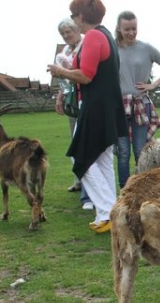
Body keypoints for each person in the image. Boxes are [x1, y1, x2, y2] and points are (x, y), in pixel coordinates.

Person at [47, 0, 128, 234]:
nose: (72, 20)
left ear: (81, 16)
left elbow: (86, 75)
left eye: (73, 15)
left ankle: (107, 211)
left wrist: (59, 71)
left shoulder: (93, 37)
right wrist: (67, 65)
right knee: (101, 159)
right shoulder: (106, 36)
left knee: (80, 158)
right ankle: (111, 212)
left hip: (96, 107)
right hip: (107, 107)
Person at [114, 11, 160, 188]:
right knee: (123, 151)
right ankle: (125, 190)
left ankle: (142, 188)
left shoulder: (146, 48)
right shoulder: (113, 49)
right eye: (127, 29)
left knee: (140, 150)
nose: (131, 33)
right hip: (120, 106)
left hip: (141, 104)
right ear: (119, 28)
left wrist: (153, 84)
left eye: (134, 28)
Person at [53, 17, 94, 211]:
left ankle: (90, 191)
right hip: (72, 102)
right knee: (74, 142)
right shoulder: (65, 52)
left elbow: (82, 74)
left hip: (85, 100)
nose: (66, 35)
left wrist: (63, 70)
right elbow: (66, 81)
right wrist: (60, 97)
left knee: (87, 145)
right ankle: (79, 181)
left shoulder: (86, 46)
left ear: (76, 30)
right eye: (63, 33)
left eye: (68, 32)